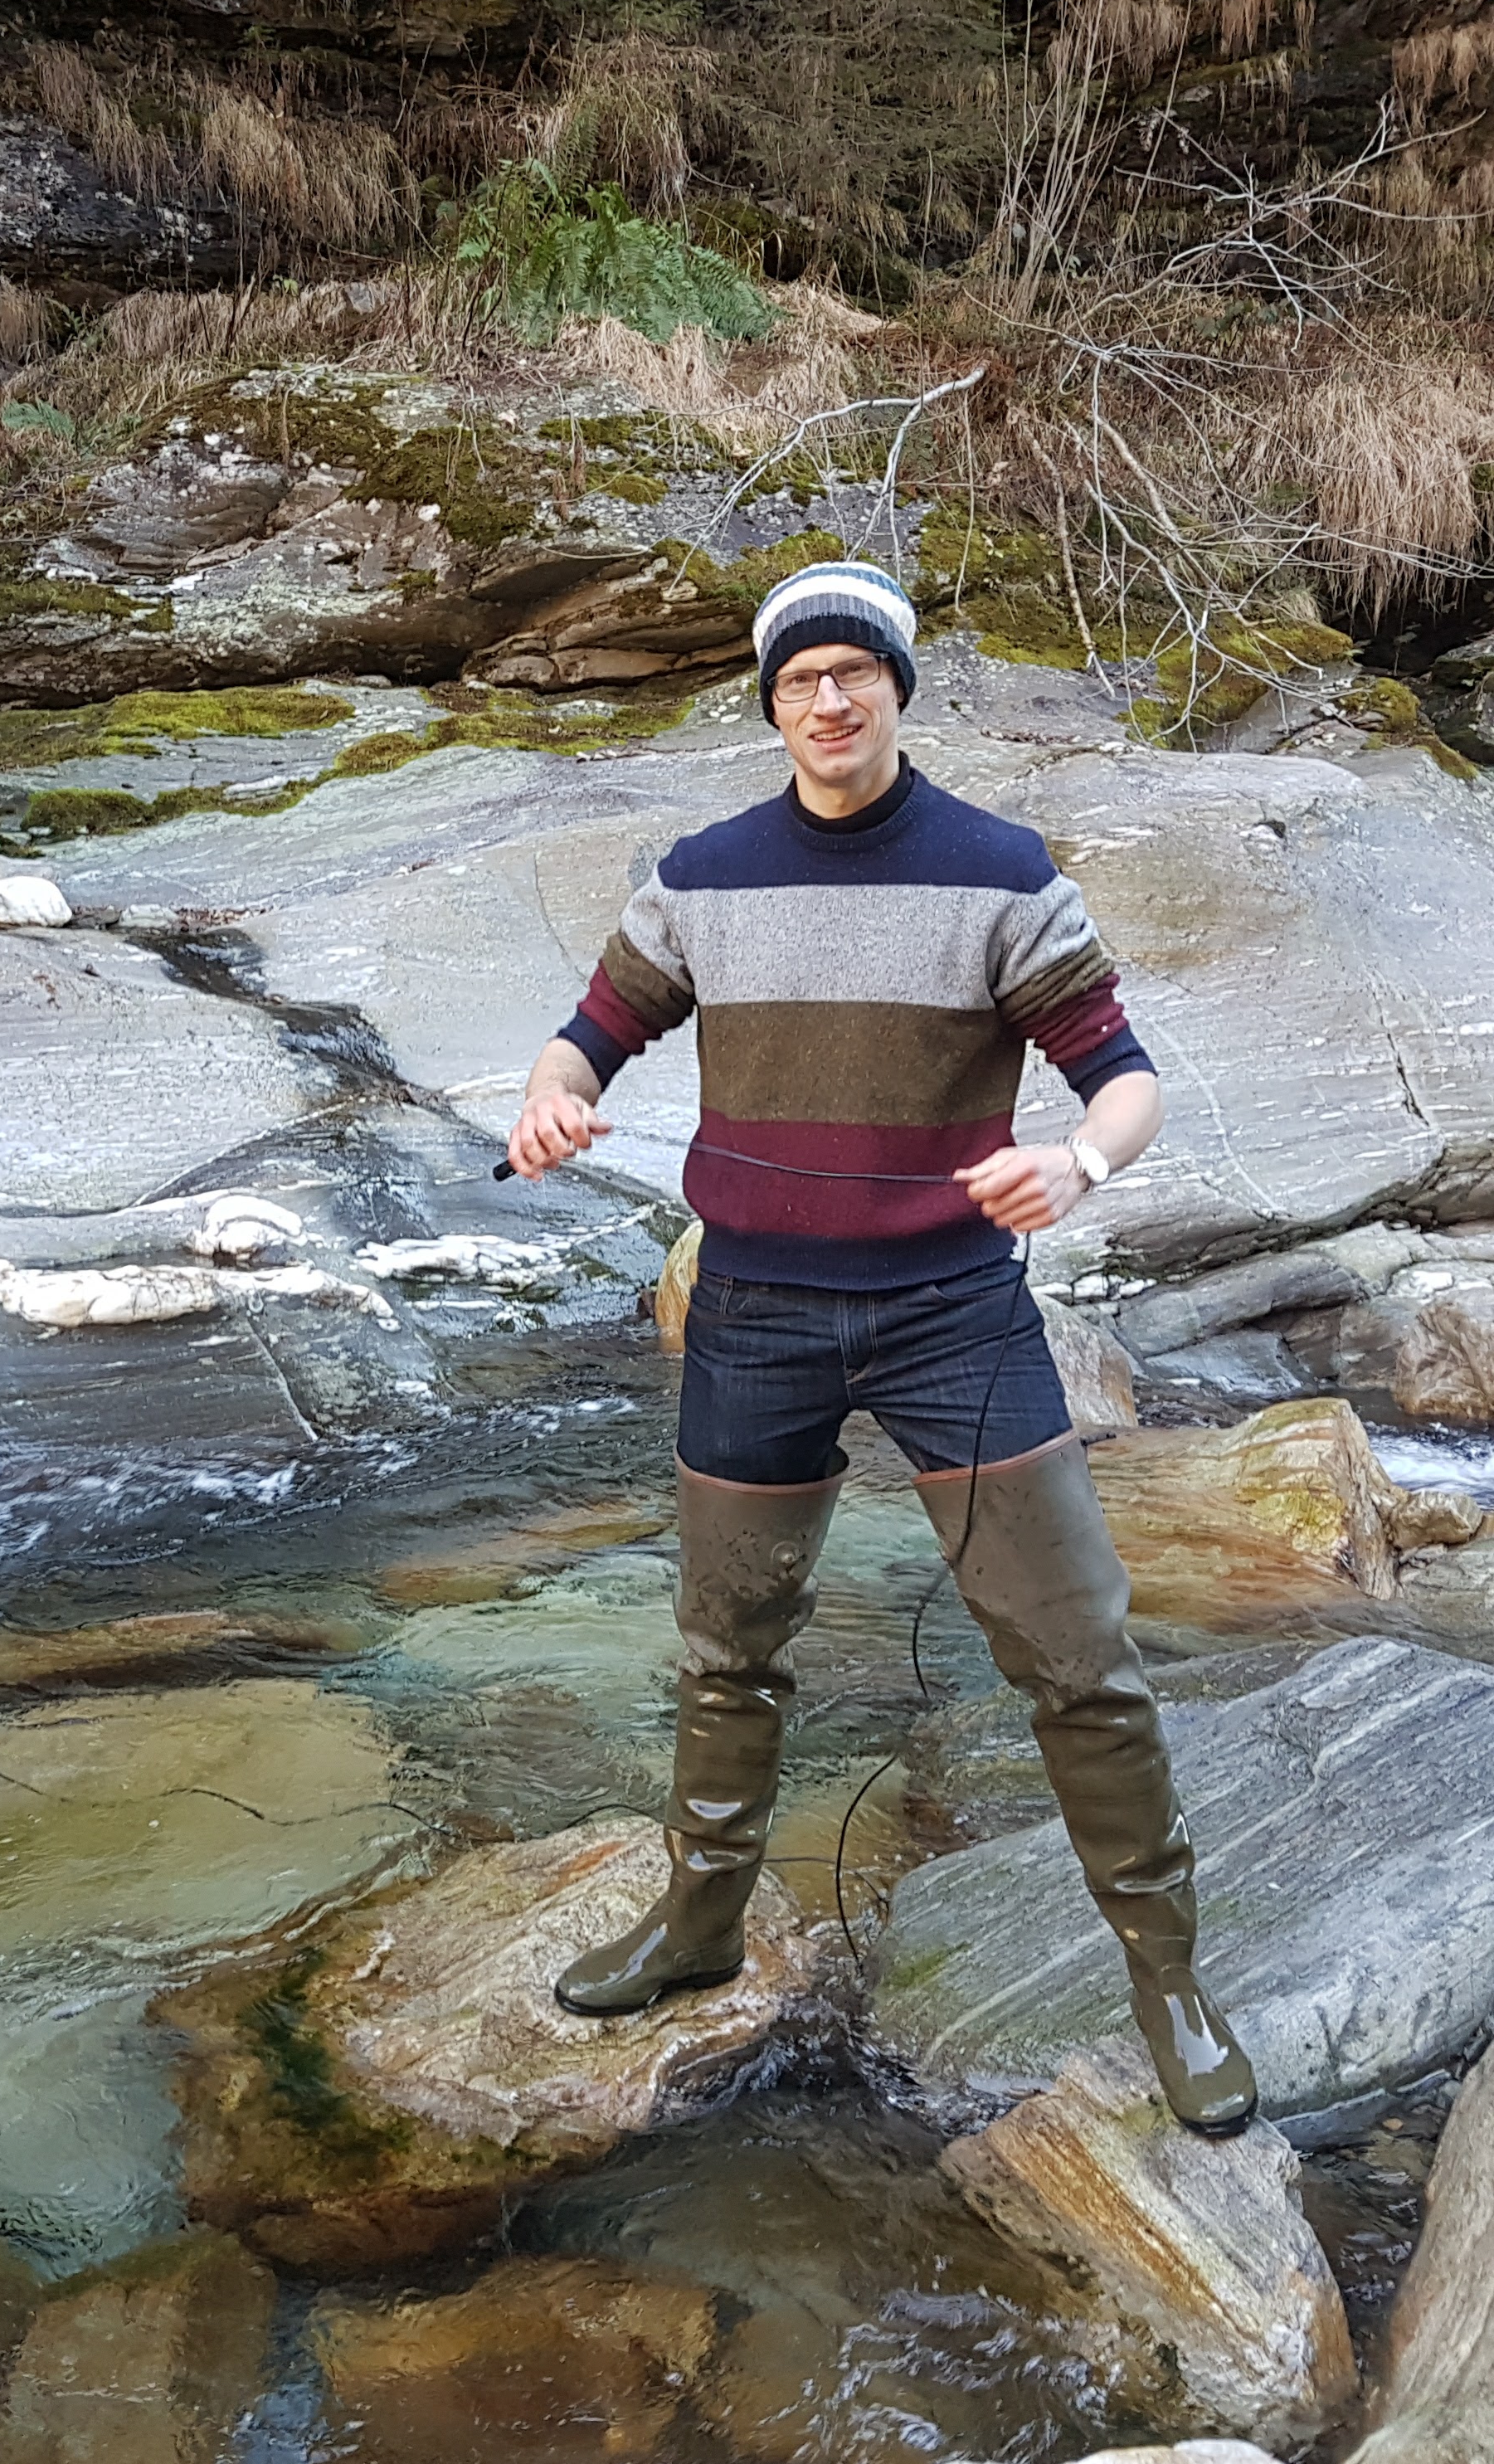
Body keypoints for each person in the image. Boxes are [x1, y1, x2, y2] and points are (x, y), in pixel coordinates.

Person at [504, 558, 1255, 2135]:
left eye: (855, 675)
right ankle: (701, 1919)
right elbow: (598, 1026)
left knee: (1079, 1658)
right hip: (754, 1316)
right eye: (799, 681)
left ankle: (1167, 1978)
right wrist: (554, 1092)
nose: (828, 703)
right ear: (771, 704)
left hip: (951, 1318)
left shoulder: (998, 872)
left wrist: (1081, 1166)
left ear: (898, 691)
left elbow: (1127, 1081)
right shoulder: (702, 875)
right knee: (730, 1647)